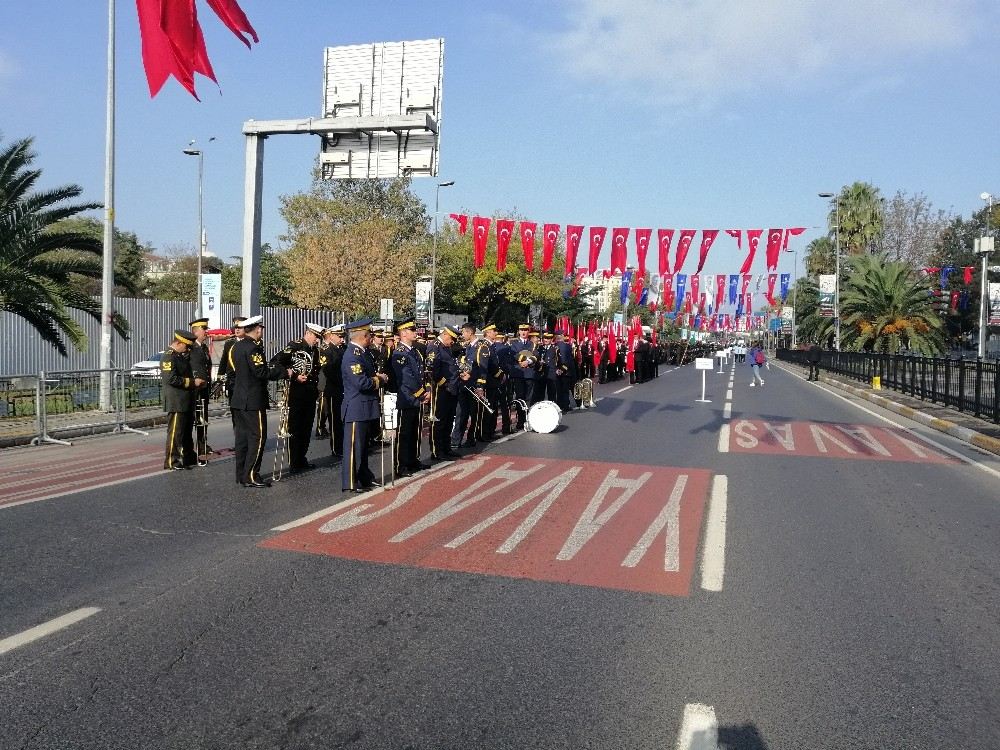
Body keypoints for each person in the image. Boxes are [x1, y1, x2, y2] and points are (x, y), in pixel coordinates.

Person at [228, 315, 282, 487]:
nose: (262, 331)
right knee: (257, 438)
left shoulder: (236, 346)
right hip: (252, 400)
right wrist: (283, 373)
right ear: (257, 329)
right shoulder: (253, 348)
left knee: (242, 439)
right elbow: (260, 372)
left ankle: (241, 474)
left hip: (238, 399)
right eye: (261, 329)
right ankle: (251, 474)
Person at [341, 318, 387, 493]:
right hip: (356, 407)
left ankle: (364, 477)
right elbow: (361, 382)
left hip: (365, 406)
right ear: (363, 336)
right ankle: (351, 482)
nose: (371, 339)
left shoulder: (362, 353)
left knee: (363, 447)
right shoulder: (352, 355)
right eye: (369, 336)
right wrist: (379, 379)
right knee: (354, 448)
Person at [271, 323, 323, 472]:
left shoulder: (315, 350)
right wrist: (293, 375)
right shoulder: (295, 346)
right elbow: (276, 362)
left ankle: (301, 459)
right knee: (295, 427)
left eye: (319, 337)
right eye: (316, 336)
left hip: (310, 393)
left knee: (306, 428)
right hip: (296, 392)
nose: (317, 340)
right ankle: (294, 461)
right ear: (307, 333)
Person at [390, 318, 430, 476]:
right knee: (404, 433)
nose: (415, 333)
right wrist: (421, 393)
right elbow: (406, 377)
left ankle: (413, 460)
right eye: (412, 330)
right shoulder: (399, 353)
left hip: (417, 397)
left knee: (415, 431)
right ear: (404, 333)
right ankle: (401, 464)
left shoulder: (415, 351)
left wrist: (427, 389)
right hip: (407, 398)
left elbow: (422, 373)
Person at [161, 329, 204, 470]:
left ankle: (188, 457)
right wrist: (193, 382)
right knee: (175, 433)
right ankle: (171, 461)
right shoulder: (169, 357)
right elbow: (171, 379)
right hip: (176, 401)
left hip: (186, 399)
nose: (187, 349)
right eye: (186, 346)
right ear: (179, 343)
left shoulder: (179, 355)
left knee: (186, 432)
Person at [425, 325, 462, 460]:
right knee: (439, 421)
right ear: (445, 334)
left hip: (452, 388)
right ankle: (437, 450)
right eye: (452, 338)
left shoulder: (446, 347)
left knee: (448, 420)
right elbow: (432, 370)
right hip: (441, 390)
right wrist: (445, 384)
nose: (453, 341)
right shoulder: (434, 346)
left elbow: (451, 366)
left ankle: (446, 447)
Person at [188, 317, 212, 464]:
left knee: (203, 418)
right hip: (194, 389)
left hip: (204, 388)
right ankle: (190, 447)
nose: (206, 332)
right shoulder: (190, 347)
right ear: (196, 331)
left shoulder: (203, 347)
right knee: (193, 419)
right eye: (204, 330)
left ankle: (202, 445)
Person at [320, 324, 346, 456]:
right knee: (335, 421)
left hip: (341, 389)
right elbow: (329, 371)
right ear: (331, 336)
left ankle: (341, 445)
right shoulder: (326, 350)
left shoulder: (340, 349)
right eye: (339, 336)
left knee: (341, 420)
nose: (342, 339)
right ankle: (336, 448)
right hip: (333, 389)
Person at [508, 323, 537, 429]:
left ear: (528, 331)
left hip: (529, 374)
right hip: (518, 374)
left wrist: (528, 361)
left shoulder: (532, 344)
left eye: (526, 330)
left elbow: (535, 355)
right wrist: (524, 360)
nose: (524, 332)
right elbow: (513, 354)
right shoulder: (513, 343)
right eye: (522, 330)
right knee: (520, 398)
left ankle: (528, 419)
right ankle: (521, 421)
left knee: (528, 398)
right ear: (518, 331)